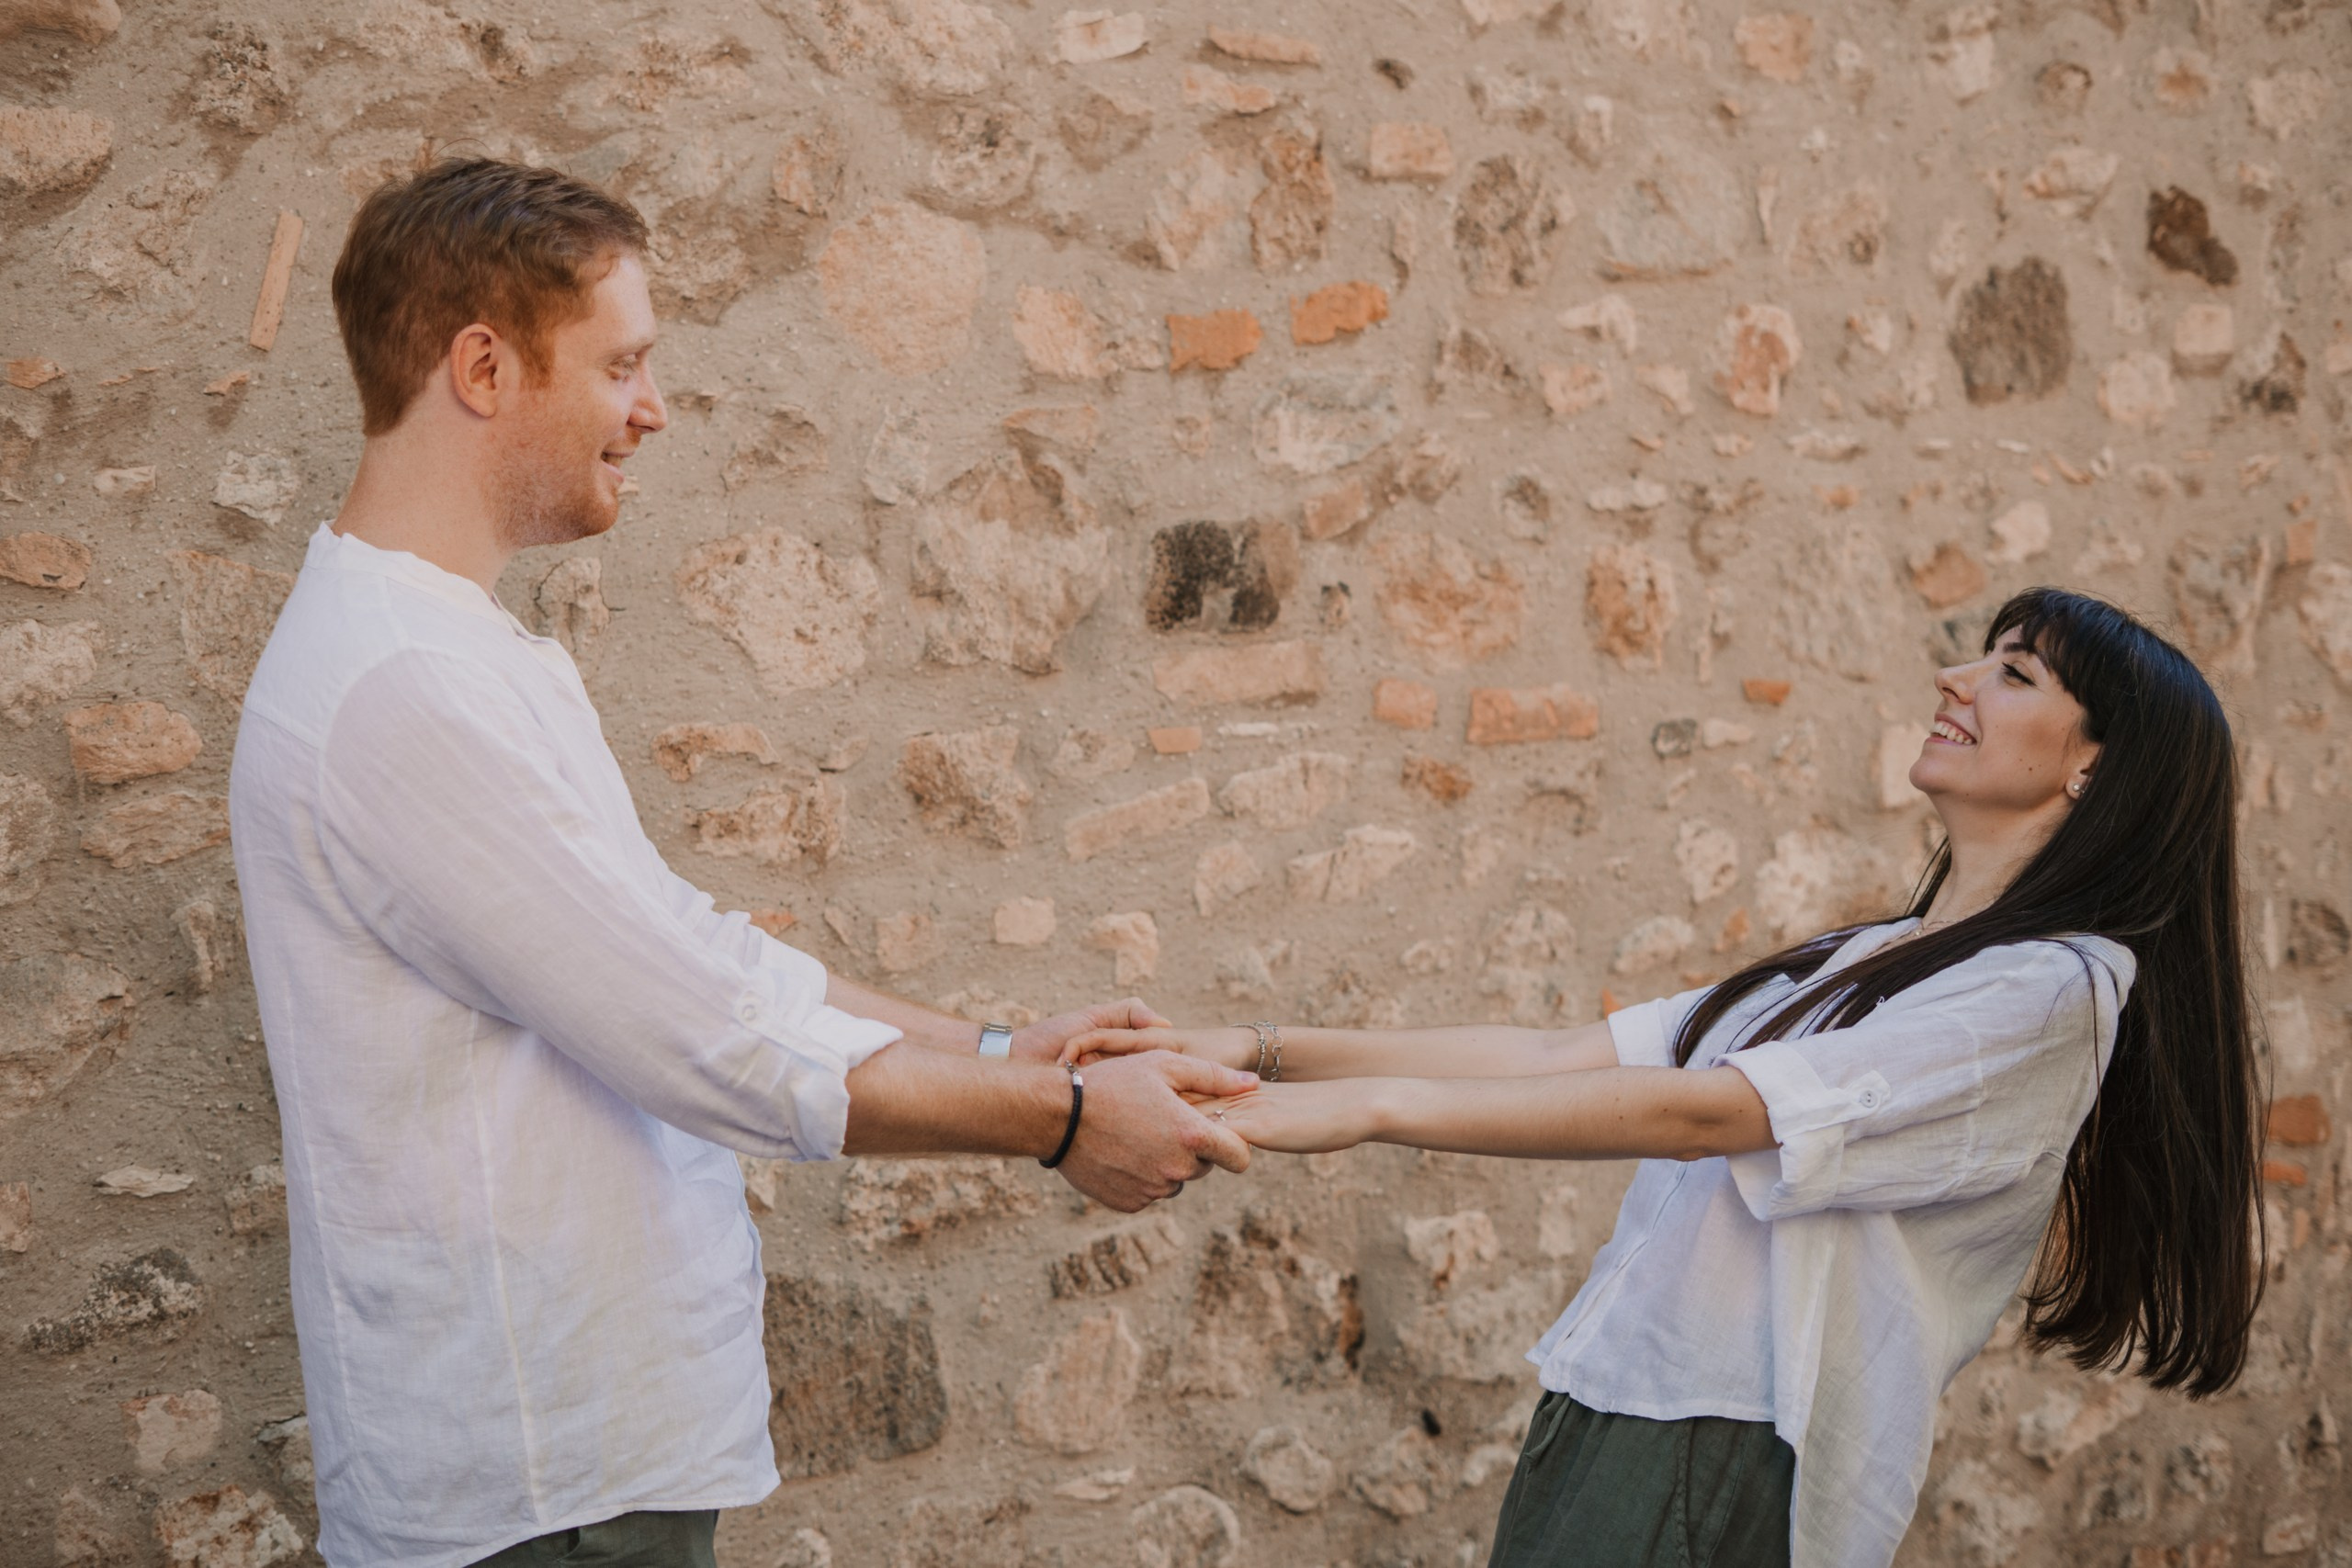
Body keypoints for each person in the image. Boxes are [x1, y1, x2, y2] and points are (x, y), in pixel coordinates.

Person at [228, 158, 1255, 1568]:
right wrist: (1062, 1123)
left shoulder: (443, 651)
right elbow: (701, 1039)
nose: (652, 409)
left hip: (585, 1468)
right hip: (541, 1487)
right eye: (624, 365)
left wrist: (1003, 1041)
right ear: (482, 365)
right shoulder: (402, 687)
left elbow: (682, 948)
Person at [1069, 589, 2265, 1568]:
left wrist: (1358, 1113)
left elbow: (1710, 1115)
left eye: (2015, 674)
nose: (1957, 679)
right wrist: (1261, 1049)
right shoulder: (1861, 962)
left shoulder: (2058, 987)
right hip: (1617, 1401)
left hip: (1729, 1442)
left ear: (2098, 771)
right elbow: (1561, 1056)